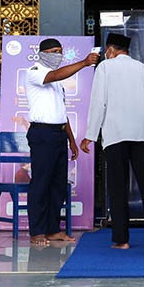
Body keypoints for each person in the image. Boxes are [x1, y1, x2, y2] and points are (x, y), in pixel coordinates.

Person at [80, 33, 144, 249]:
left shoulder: (105, 68)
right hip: (142, 134)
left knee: (117, 187)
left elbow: (98, 102)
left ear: (111, 49)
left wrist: (90, 135)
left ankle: (121, 240)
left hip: (115, 135)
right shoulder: (143, 68)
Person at [24, 38, 98, 245]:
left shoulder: (58, 84)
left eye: (60, 51)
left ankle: (52, 229)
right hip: (42, 134)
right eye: (54, 51)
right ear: (43, 54)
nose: (58, 55)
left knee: (57, 184)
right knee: (41, 183)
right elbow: (54, 74)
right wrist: (84, 63)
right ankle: (36, 231)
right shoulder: (35, 71)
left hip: (58, 135)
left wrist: (72, 141)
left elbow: (62, 114)